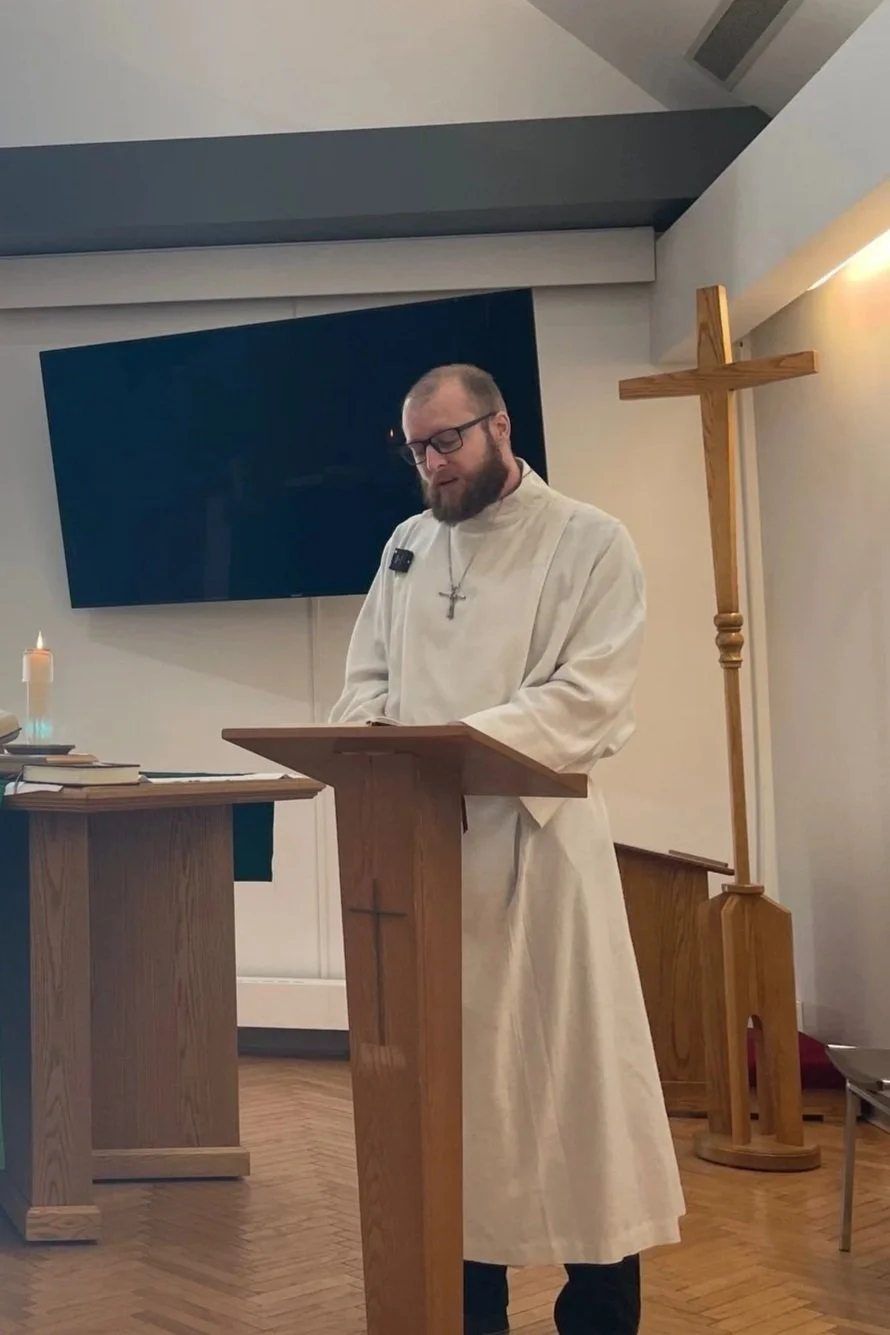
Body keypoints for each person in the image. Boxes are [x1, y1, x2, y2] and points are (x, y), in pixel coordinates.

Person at [329, 364, 685, 1335]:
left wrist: (449, 748)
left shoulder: (587, 541)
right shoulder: (406, 546)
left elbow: (588, 696)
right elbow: (362, 680)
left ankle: (599, 1316)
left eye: (447, 442)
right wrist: (383, 743)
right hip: (427, 869)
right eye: (416, 451)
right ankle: (465, 1313)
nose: (433, 466)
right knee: (456, 1119)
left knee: (576, 1109)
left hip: (539, 865)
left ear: (499, 426)